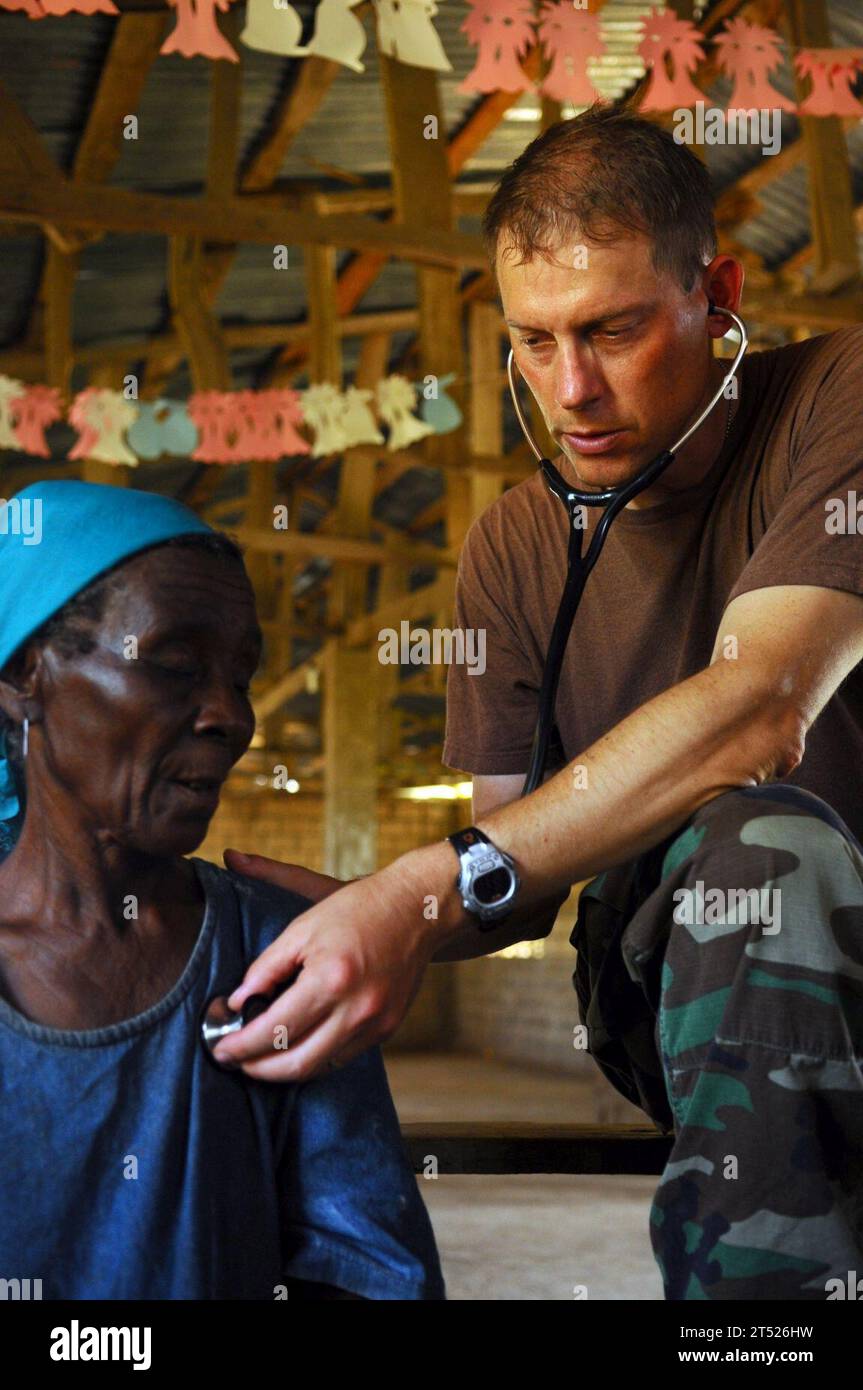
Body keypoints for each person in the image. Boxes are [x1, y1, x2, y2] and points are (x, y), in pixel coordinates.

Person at [210, 105, 863, 1301]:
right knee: (757, 861)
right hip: (667, 980)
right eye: (533, 339)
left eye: (613, 330)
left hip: (844, 943)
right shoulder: (513, 542)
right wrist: (395, 905)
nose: (571, 389)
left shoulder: (838, 397)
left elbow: (763, 705)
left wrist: (420, 889)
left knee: (765, 834)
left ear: (713, 292)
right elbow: (515, 875)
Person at [0, 479, 445, 1301]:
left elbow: (369, 1277)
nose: (232, 718)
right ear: (28, 673)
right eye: (173, 664)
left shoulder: (280, 954)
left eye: (240, 678)